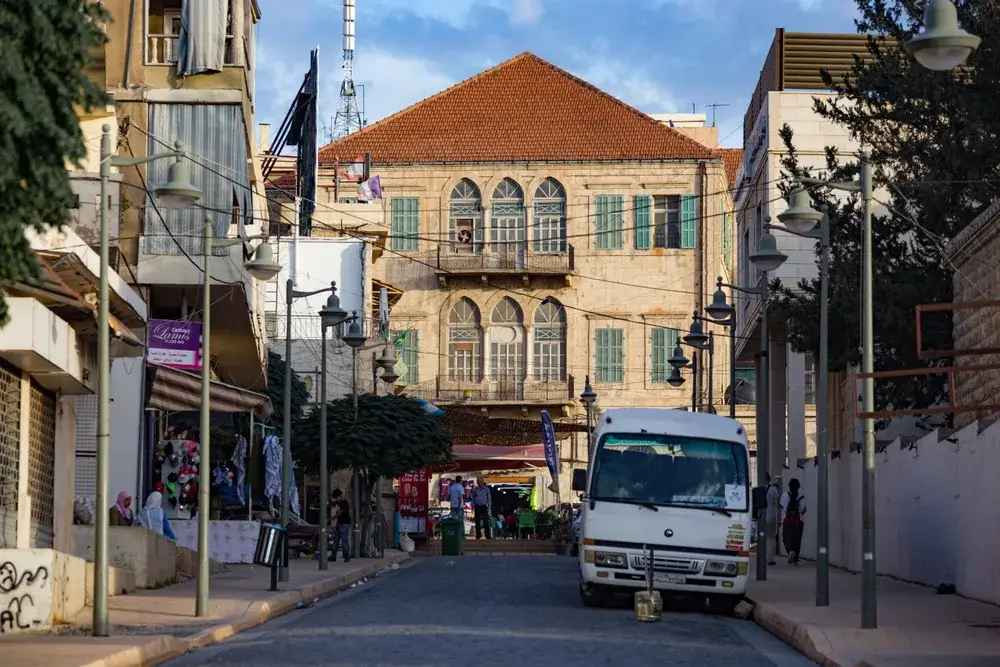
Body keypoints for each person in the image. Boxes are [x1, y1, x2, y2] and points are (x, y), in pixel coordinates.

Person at [781, 478, 807, 565]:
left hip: (787, 520)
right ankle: (795, 559)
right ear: (798, 487)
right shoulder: (801, 496)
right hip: (798, 521)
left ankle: (790, 551)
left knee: (786, 539)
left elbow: (782, 507)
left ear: (789, 486)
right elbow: (804, 509)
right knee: (797, 540)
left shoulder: (785, 495)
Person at [330, 488, 351, 563]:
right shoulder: (340, 502)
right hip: (339, 523)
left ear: (340, 496)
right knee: (336, 540)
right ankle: (333, 556)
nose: (337, 499)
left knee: (344, 541)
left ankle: (346, 556)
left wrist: (331, 519)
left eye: (337, 497)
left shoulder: (344, 503)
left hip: (344, 523)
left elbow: (339, 513)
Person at [764, 474, 781, 566]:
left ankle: (762, 556)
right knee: (771, 537)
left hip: (761, 517)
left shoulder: (758, 489)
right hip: (771, 516)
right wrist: (779, 519)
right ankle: (770, 558)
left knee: (762, 537)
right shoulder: (774, 489)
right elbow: (778, 506)